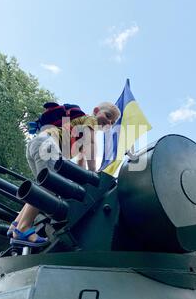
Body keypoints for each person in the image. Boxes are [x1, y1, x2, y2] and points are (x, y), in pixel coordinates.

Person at [9, 102, 121, 248]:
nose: (109, 122)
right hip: (47, 144)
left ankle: (16, 223)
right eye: (108, 116)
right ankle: (22, 229)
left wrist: (85, 182)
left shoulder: (80, 129)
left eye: (113, 122)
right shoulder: (90, 120)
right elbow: (91, 144)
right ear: (96, 111)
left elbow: (81, 162)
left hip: (37, 143)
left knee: (42, 188)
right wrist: (95, 173)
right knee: (50, 185)